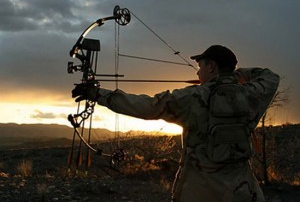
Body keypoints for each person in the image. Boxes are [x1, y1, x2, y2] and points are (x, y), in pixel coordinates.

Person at [72, 45, 279, 202]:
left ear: (212, 66)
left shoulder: (193, 98)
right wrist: (231, 78)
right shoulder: (251, 95)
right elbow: (270, 76)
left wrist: (97, 94)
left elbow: (147, 106)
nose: (197, 73)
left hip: (201, 193)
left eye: (200, 67)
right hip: (244, 193)